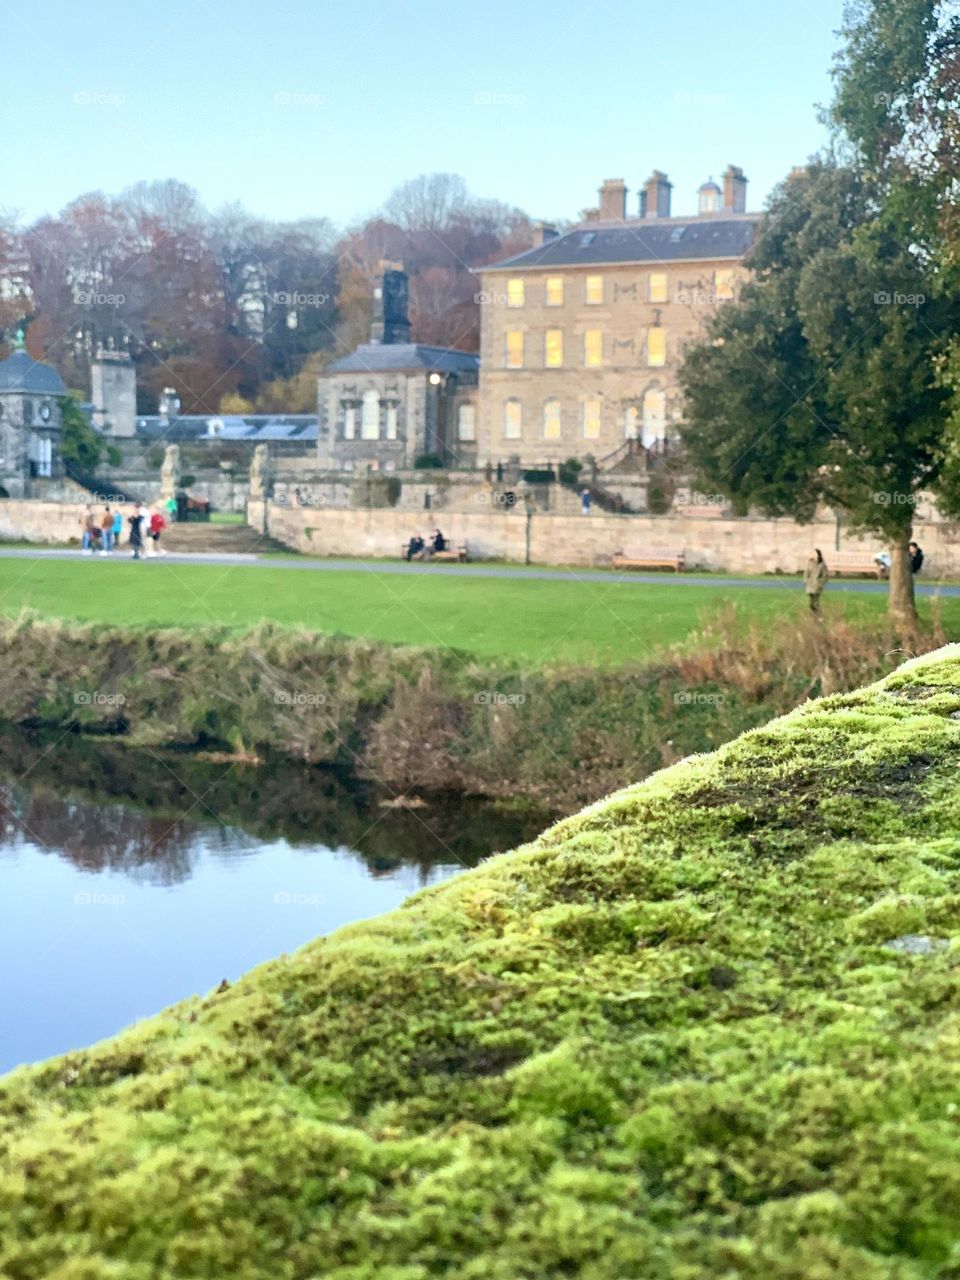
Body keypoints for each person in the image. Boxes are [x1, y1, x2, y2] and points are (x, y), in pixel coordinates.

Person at [803, 548, 829, 615]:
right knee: (810, 603)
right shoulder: (810, 563)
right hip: (810, 586)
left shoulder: (822, 565)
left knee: (816, 602)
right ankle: (811, 616)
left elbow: (825, 576)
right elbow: (806, 573)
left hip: (817, 587)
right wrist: (806, 581)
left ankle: (819, 616)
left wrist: (820, 583)